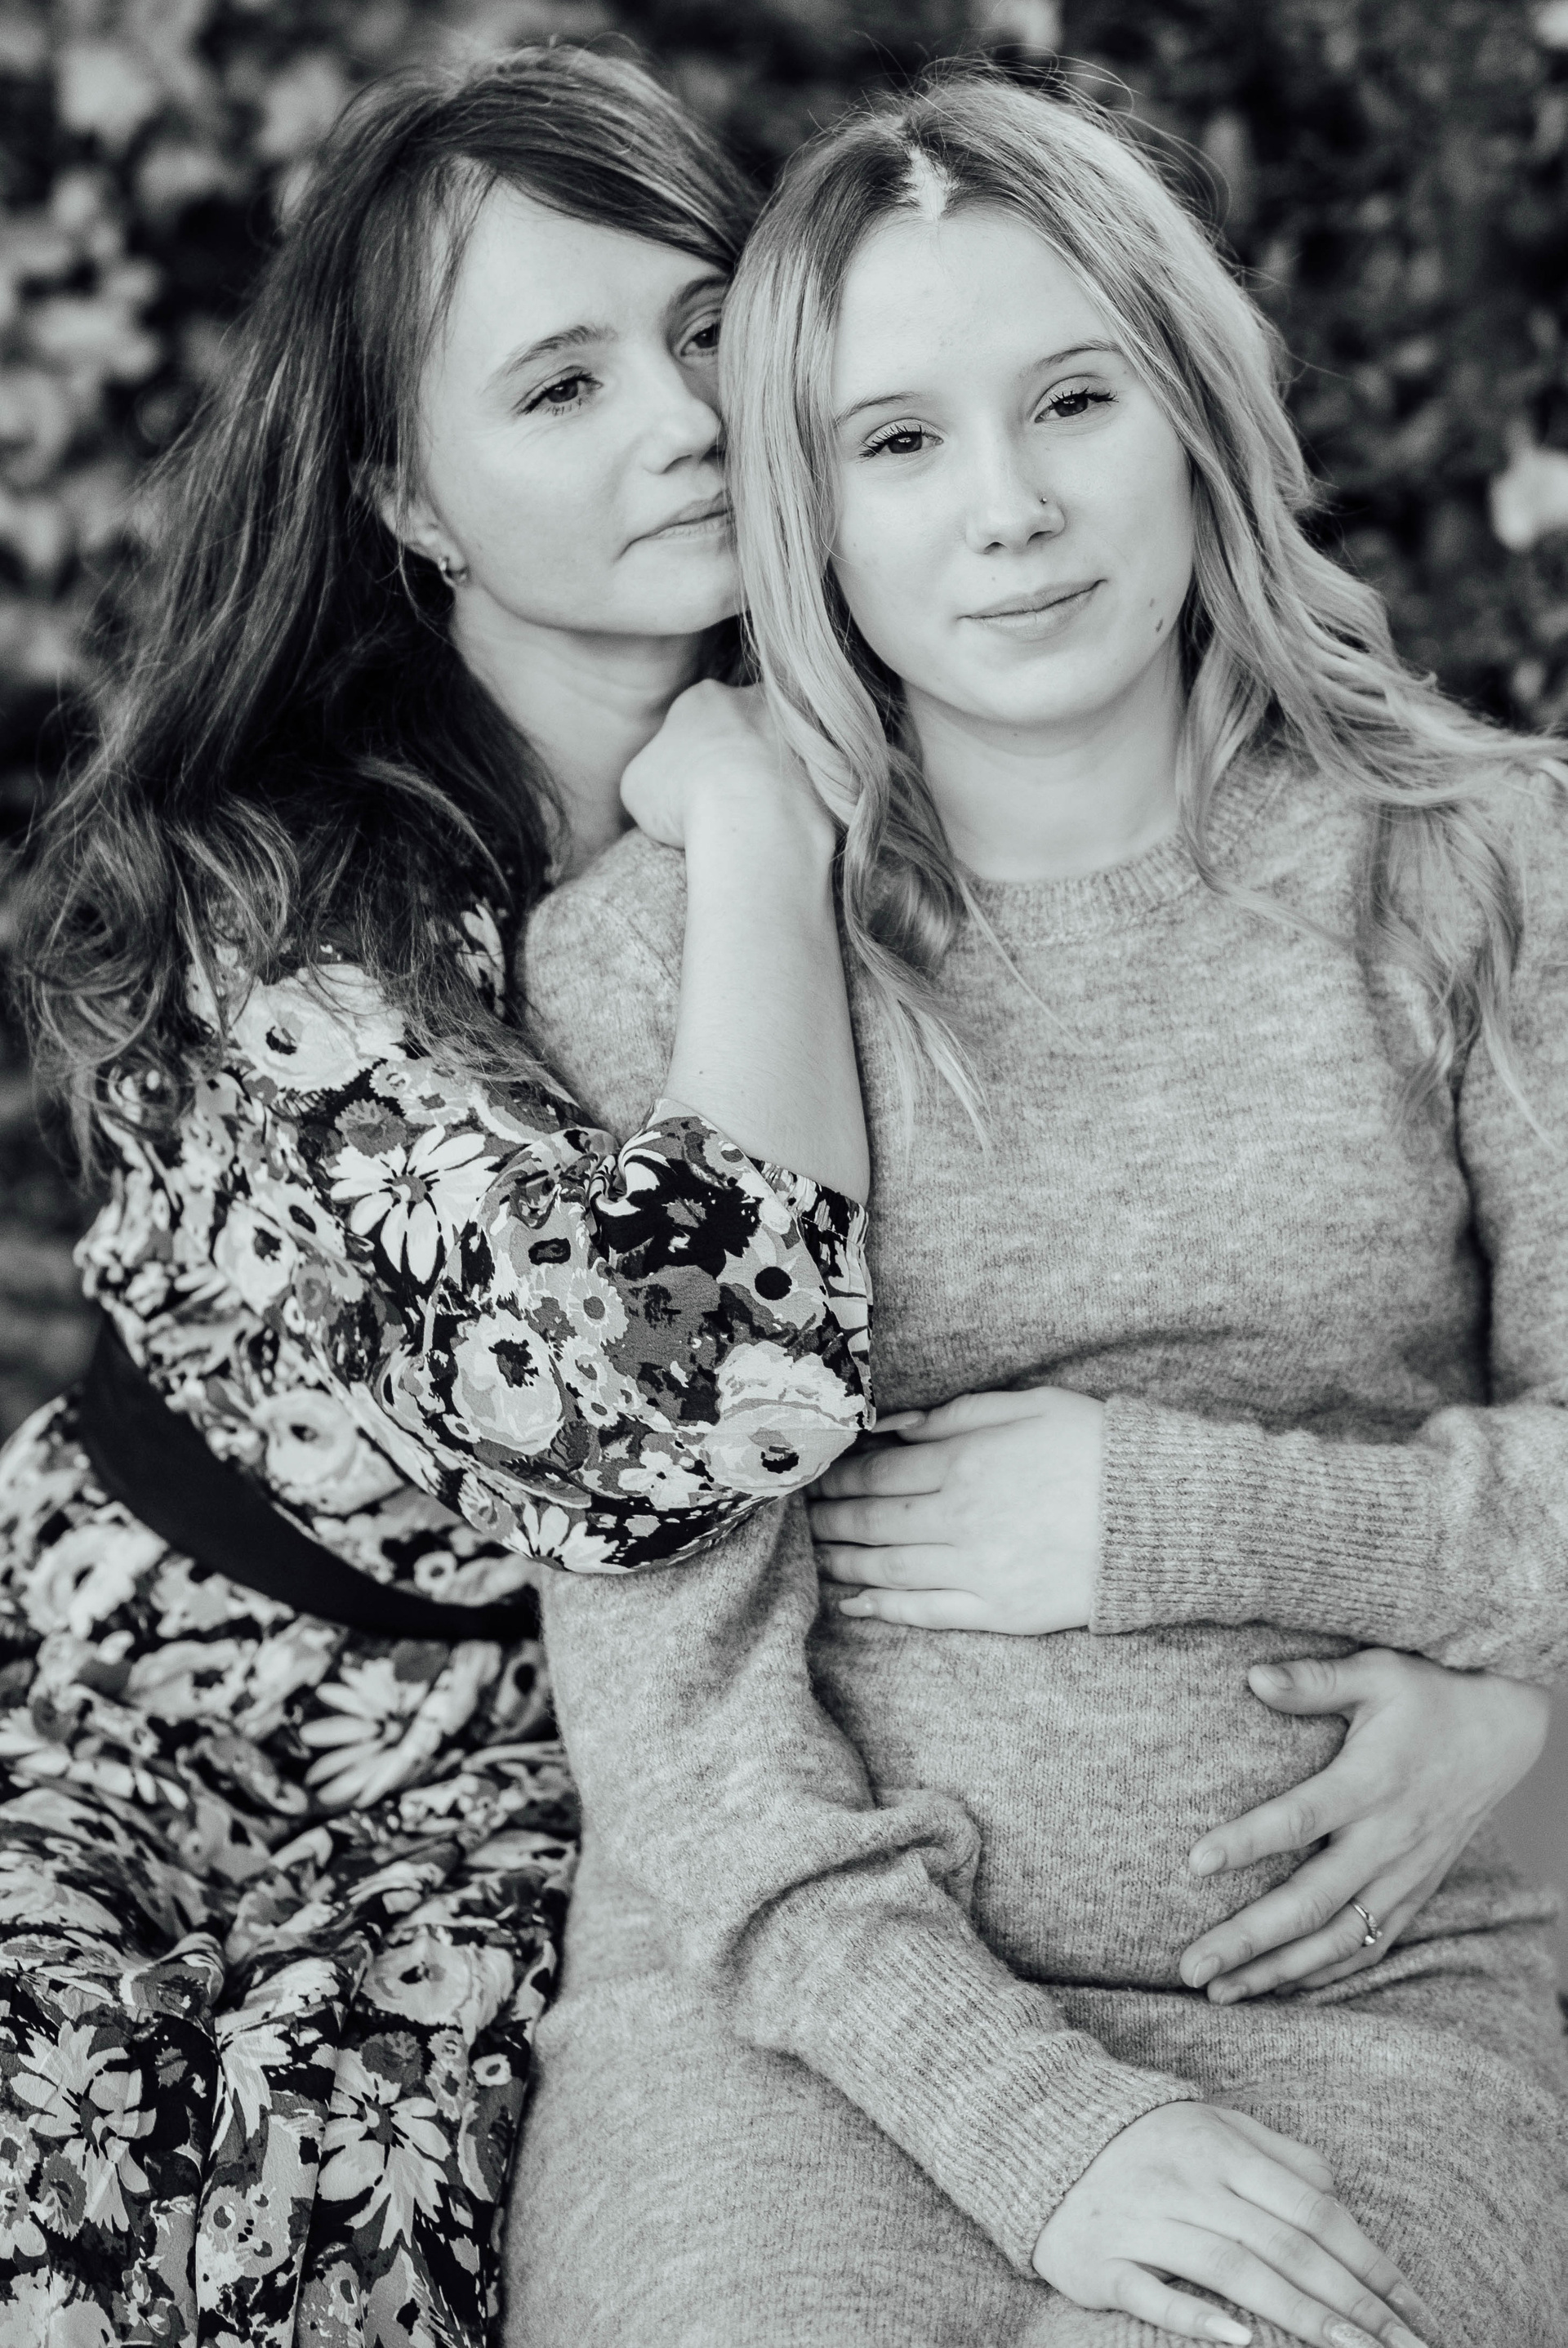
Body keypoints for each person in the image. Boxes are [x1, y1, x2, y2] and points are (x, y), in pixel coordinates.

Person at [508, 69, 1568, 2348]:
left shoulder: (1481, 868)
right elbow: (671, 1696)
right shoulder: (652, 961)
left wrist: (1174, 1518)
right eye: (898, 442)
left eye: (1073, 399)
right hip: (799, 2037)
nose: (1010, 511)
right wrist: (1028, 2121)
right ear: (803, 510)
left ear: (1192, 410)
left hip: (1370, 2003)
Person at [0, 47, 874, 2348]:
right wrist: (753, 845)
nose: (683, 422)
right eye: (561, 385)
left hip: (542, 1780)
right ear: (414, 497)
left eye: (706, 332)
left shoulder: (920, 746)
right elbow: (670, 1402)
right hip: (140, 1714)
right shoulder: (292, 894)